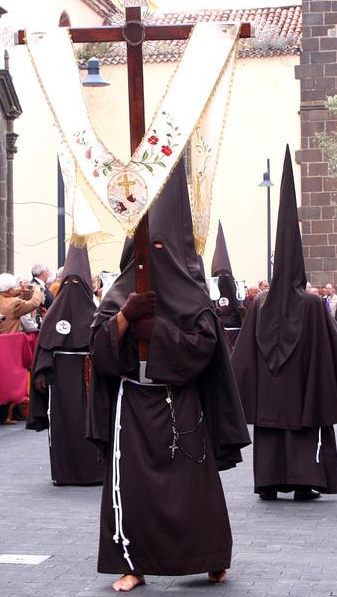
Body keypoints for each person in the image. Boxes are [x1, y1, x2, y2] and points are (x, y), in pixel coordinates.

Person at [87, 163, 250, 592]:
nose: (153, 255)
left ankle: (209, 557)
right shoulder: (119, 292)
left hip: (181, 403)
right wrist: (126, 317)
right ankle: (133, 564)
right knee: (131, 487)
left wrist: (157, 332)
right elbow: (99, 349)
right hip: (132, 405)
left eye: (160, 246)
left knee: (193, 486)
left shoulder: (192, 295)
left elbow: (203, 347)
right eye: (147, 247)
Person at [232, 147, 337, 503]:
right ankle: (305, 481)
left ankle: (269, 482)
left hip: (270, 396)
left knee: (271, 430)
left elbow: (244, 357)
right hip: (303, 391)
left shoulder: (259, 304)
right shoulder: (313, 304)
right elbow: (335, 347)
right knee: (303, 429)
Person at [28, 244, 103, 486]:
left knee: (89, 423)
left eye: (77, 283)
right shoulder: (53, 315)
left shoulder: (97, 313)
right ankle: (65, 472)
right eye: (68, 282)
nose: (72, 288)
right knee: (65, 425)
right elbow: (45, 346)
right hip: (61, 381)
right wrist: (42, 371)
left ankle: (93, 472)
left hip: (90, 378)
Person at [210, 222, 244, 345]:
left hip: (235, 331)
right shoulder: (212, 291)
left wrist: (242, 313)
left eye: (226, 274)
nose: (224, 277)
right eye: (220, 274)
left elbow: (242, 315)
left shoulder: (234, 290)